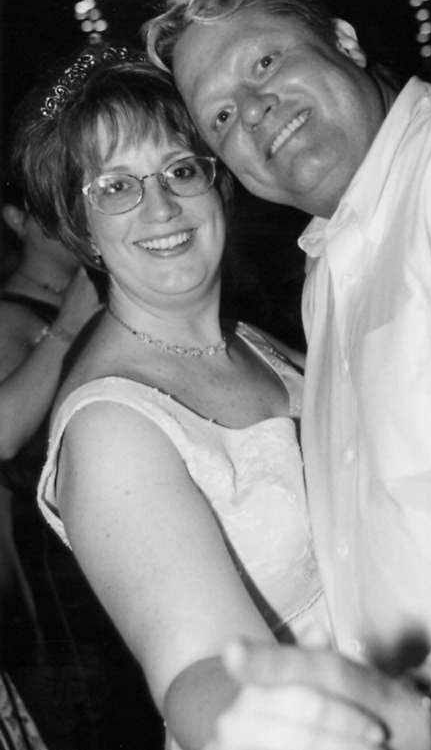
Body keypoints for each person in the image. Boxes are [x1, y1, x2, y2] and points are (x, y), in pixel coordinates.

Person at [143, 0, 431, 749]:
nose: (253, 111)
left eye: (264, 62)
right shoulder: (327, 272)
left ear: (344, 40)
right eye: (220, 116)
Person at [19, 44, 334, 750]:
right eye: (115, 186)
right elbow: (201, 671)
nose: (160, 207)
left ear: (217, 184)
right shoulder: (112, 428)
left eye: (180, 170)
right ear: (81, 226)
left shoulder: (250, 341)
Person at [0, 163, 101, 750]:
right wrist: (69, 323)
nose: (72, 218)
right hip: (61, 577)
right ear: (16, 219)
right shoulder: (9, 315)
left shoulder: (99, 293)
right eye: (50, 206)